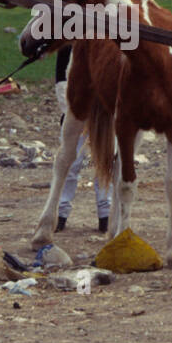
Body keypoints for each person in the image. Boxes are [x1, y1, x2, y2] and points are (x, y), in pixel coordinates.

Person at [53, 46, 110, 233]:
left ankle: (106, 214)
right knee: (71, 162)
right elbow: (61, 75)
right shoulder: (71, 40)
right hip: (77, 108)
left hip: (104, 110)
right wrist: (69, 108)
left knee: (105, 161)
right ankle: (60, 214)